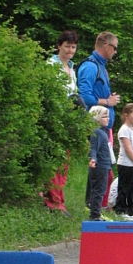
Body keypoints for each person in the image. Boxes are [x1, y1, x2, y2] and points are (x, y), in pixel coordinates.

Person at [78, 31, 120, 210]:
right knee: (100, 168)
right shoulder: (90, 67)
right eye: (115, 48)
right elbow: (84, 97)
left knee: (105, 169)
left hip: (104, 127)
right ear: (106, 46)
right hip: (94, 125)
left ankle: (95, 205)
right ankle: (92, 206)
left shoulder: (101, 66)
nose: (115, 52)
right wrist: (107, 101)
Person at [44, 30, 80, 215]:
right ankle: (53, 201)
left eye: (73, 47)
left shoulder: (72, 69)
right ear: (59, 46)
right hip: (55, 116)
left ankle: (59, 199)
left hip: (68, 119)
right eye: (67, 46)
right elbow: (49, 91)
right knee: (55, 160)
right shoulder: (51, 65)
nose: (70, 50)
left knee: (64, 160)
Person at [115, 103, 133, 221]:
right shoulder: (124, 130)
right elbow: (128, 148)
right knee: (124, 187)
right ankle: (120, 209)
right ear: (126, 115)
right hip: (126, 163)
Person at [87, 106, 112, 221]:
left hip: (105, 165)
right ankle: (95, 213)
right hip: (100, 165)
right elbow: (93, 148)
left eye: (108, 116)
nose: (108, 118)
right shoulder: (97, 132)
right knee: (99, 189)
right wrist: (93, 159)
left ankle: (96, 211)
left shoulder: (104, 132)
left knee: (101, 189)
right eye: (104, 116)